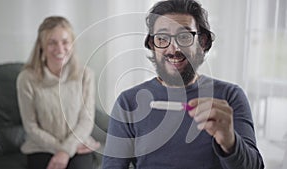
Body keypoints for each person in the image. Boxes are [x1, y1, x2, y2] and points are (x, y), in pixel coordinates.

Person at [102, 0, 264, 168]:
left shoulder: (230, 96)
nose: (174, 49)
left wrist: (230, 142)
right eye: (162, 38)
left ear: (202, 42)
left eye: (185, 36)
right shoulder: (128, 102)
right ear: (152, 44)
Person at [17, 16, 100, 169]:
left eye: (65, 42)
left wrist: (67, 149)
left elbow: (86, 121)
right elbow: (31, 126)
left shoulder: (86, 75)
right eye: (52, 42)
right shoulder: (26, 79)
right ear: (41, 45)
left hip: (77, 144)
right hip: (40, 147)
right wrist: (62, 150)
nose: (60, 49)